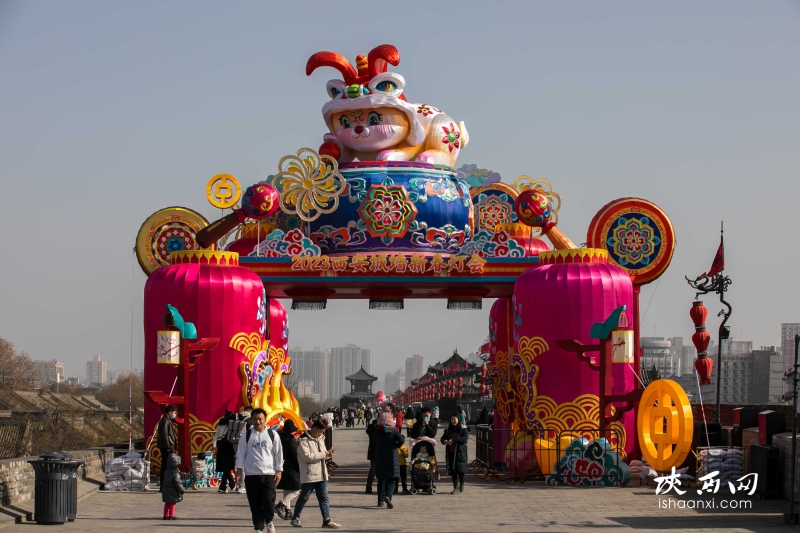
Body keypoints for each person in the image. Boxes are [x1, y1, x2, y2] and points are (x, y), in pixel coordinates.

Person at [235, 408, 283, 533]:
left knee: (269, 500)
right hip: (251, 474)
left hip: (269, 474)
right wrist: (238, 471)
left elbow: (278, 453)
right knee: (254, 503)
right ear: (251, 420)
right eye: (255, 419)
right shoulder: (246, 435)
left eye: (260, 419)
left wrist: (279, 470)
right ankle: (259, 528)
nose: (258, 422)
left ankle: (269, 521)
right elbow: (240, 454)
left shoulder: (273, 434)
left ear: (265, 420)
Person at [291, 418, 341, 528]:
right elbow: (307, 457)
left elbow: (322, 454)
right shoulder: (303, 441)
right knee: (304, 497)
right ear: (314, 429)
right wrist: (324, 454)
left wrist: (328, 454)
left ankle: (326, 519)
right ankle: (296, 517)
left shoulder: (320, 439)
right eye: (320, 431)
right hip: (309, 474)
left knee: (324, 497)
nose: (321, 434)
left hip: (321, 474)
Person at [374, 408, 404, 508]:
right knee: (392, 479)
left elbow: (373, 441)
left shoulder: (377, 432)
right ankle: (388, 495)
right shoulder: (393, 431)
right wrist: (396, 445)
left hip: (380, 457)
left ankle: (380, 501)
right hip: (391, 457)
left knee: (381, 480)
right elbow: (401, 440)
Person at [275, 420, 301, 520]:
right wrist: (299, 467)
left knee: (287, 489)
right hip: (291, 467)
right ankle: (281, 504)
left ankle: (288, 511)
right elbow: (294, 456)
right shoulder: (291, 440)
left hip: (280, 466)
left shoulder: (278, 437)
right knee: (297, 489)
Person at [441, 415, 470, 494]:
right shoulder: (448, 429)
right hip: (451, 452)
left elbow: (464, 438)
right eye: (452, 419)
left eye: (454, 419)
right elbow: (442, 438)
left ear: (458, 420)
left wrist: (454, 440)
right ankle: (455, 487)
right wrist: (445, 441)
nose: (453, 421)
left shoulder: (463, 429)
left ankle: (462, 483)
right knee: (453, 470)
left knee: (460, 469)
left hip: (460, 452)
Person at [213, 411, 237, 494]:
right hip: (228, 445)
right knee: (227, 467)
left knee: (226, 467)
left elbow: (215, 436)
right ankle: (222, 486)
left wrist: (214, 446)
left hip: (220, 446)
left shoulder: (220, 425)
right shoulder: (231, 425)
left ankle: (232, 484)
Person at [157, 405, 178, 491]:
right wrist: (168, 446)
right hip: (166, 447)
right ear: (170, 412)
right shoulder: (165, 421)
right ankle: (163, 486)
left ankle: (165, 485)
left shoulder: (166, 420)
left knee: (166, 466)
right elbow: (165, 434)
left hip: (167, 446)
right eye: (174, 413)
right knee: (166, 466)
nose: (175, 415)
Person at [234, 406, 254, 494]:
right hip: (245, 444)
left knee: (239, 463)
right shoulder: (249, 419)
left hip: (235, 442)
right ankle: (242, 486)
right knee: (243, 465)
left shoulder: (237, 417)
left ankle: (238, 485)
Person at [160, 453, 184, 520]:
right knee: (173, 503)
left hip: (166, 489)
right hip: (173, 490)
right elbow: (177, 482)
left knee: (167, 503)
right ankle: (171, 515)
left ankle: (165, 515)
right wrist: (181, 489)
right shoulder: (175, 473)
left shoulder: (166, 471)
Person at [364, 417, 377, 493]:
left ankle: (368, 488)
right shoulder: (376, 427)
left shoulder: (372, 427)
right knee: (374, 470)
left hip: (373, 451)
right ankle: (369, 488)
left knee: (373, 470)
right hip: (377, 451)